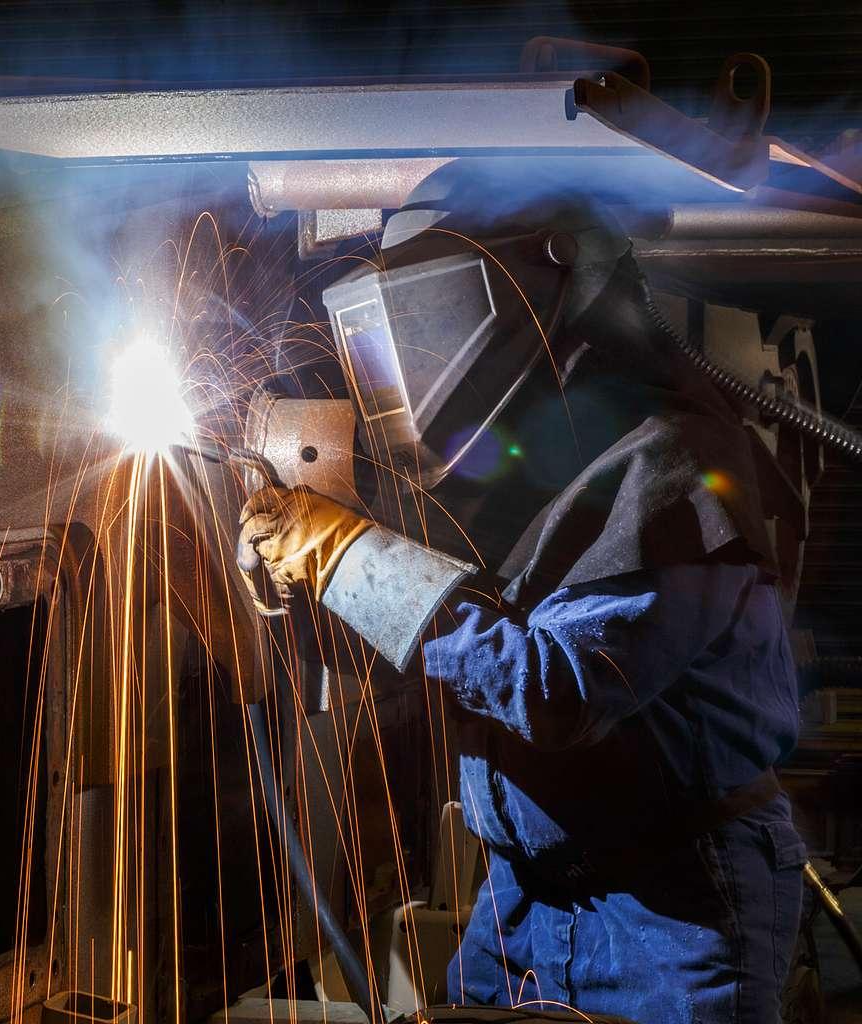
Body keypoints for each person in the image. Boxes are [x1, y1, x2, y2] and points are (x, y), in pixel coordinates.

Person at [235, 160, 806, 1024]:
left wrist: (352, 559)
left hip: (673, 904)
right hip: (522, 899)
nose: (409, 363)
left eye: (425, 324)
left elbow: (557, 689)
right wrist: (310, 589)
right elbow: (428, 656)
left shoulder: (678, 462)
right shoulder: (505, 472)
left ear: (539, 284)